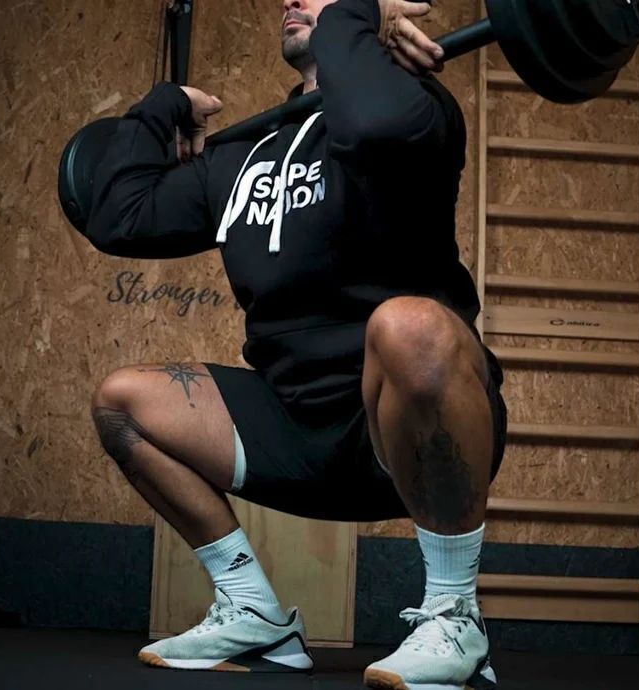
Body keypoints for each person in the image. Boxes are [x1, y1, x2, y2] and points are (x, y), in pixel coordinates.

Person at [84, 0, 507, 687]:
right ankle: (251, 608)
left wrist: (354, 19)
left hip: (406, 427)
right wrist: (162, 108)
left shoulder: (416, 109)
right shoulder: (242, 154)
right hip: (293, 427)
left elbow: (369, 121)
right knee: (121, 402)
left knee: (408, 324)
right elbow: (117, 217)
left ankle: (456, 614)